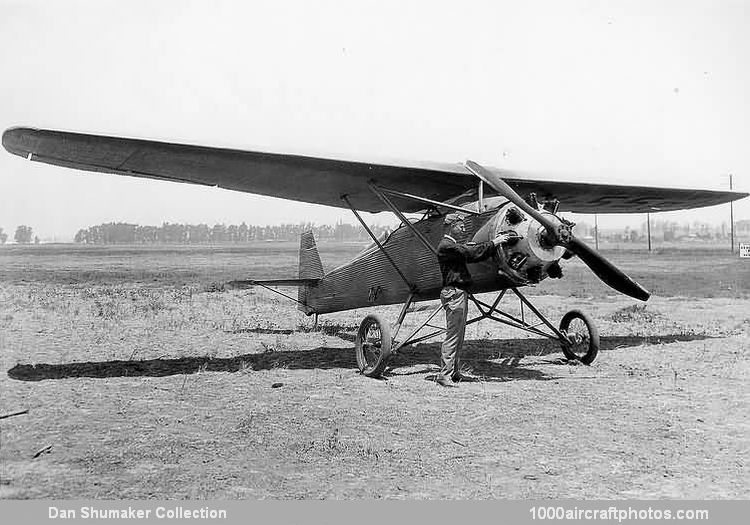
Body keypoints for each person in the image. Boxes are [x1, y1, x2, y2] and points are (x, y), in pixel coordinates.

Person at [436, 213, 515, 387]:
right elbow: (470, 253)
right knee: (453, 335)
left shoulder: (452, 246)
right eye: (460, 225)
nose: (463, 227)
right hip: (454, 293)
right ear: (451, 226)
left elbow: (467, 249)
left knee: (459, 335)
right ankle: (444, 375)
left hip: (458, 292)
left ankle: (453, 372)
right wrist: (495, 242)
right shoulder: (447, 246)